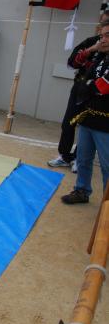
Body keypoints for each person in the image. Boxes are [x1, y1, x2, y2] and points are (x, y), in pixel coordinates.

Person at [48, 11, 109, 171]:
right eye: (102, 25)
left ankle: (78, 158)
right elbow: (72, 63)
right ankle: (64, 156)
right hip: (81, 89)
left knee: (88, 127)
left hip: (100, 97)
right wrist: (92, 49)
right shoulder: (91, 42)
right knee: (69, 121)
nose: (103, 32)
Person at [61, 21, 109, 204]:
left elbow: (102, 87)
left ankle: (107, 204)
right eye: (101, 35)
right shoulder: (99, 57)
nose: (102, 39)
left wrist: (87, 86)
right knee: (83, 158)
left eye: (107, 35)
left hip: (106, 122)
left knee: (107, 165)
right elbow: (77, 66)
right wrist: (87, 86)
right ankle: (81, 190)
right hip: (88, 116)